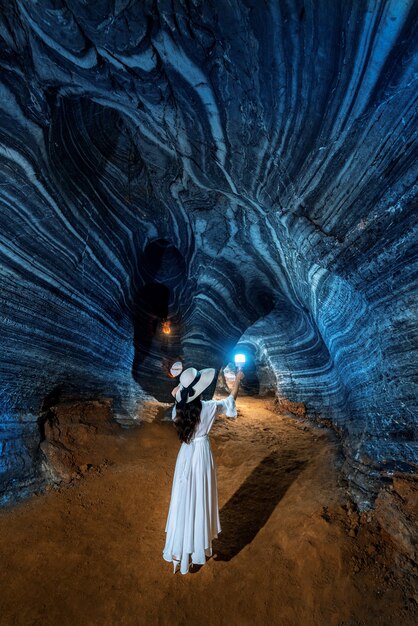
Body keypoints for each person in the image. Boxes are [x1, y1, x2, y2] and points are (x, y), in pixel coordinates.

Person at [162, 366, 245, 575]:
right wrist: (238, 381)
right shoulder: (208, 407)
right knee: (199, 496)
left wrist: (178, 395)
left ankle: (179, 550)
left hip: (186, 454)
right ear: (199, 389)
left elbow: (179, 400)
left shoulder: (177, 411)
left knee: (183, 498)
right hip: (202, 455)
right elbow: (230, 403)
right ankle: (197, 545)